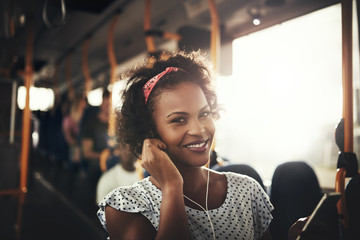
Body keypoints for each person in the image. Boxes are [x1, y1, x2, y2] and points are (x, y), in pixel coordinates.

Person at [97, 50, 274, 240]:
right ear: (150, 132)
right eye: (179, 120)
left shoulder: (247, 189)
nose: (199, 130)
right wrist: (172, 186)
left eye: (204, 114)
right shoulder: (126, 205)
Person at [80, 89, 110, 199]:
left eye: (111, 105)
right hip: (96, 162)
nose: (109, 108)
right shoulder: (91, 123)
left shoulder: (116, 123)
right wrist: (105, 156)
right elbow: (87, 153)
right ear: (102, 103)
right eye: (107, 104)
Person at [62, 93, 87, 167]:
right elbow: (69, 139)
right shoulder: (68, 120)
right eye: (83, 102)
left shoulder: (86, 117)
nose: (85, 104)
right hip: (75, 148)